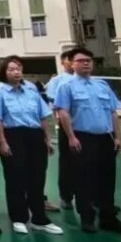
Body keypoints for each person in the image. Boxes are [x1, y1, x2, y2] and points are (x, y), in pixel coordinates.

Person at [54, 48, 121, 236]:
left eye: (89, 60)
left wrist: (117, 136)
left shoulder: (102, 86)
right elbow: (63, 113)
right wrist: (71, 137)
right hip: (83, 137)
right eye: (81, 60)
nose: (86, 63)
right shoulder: (66, 87)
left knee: (107, 179)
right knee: (85, 179)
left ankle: (108, 218)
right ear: (72, 64)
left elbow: (113, 112)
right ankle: (87, 218)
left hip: (105, 138)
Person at [0, 56, 62, 235]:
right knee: (15, 178)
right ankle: (19, 218)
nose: (16, 72)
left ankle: (39, 218)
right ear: (3, 72)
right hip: (13, 135)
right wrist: (3, 142)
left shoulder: (30, 89)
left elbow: (42, 115)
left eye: (19, 68)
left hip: (34, 135)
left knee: (37, 177)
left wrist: (47, 139)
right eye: (12, 69)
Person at [45, 48, 76, 211]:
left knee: (90, 164)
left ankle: (92, 197)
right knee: (67, 162)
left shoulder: (91, 80)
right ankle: (67, 196)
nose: (73, 63)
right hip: (66, 125)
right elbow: (53, 101)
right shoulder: (59, 81)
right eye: (70, 59)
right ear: (63, 62)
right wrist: (57, 119)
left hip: (85, 127)